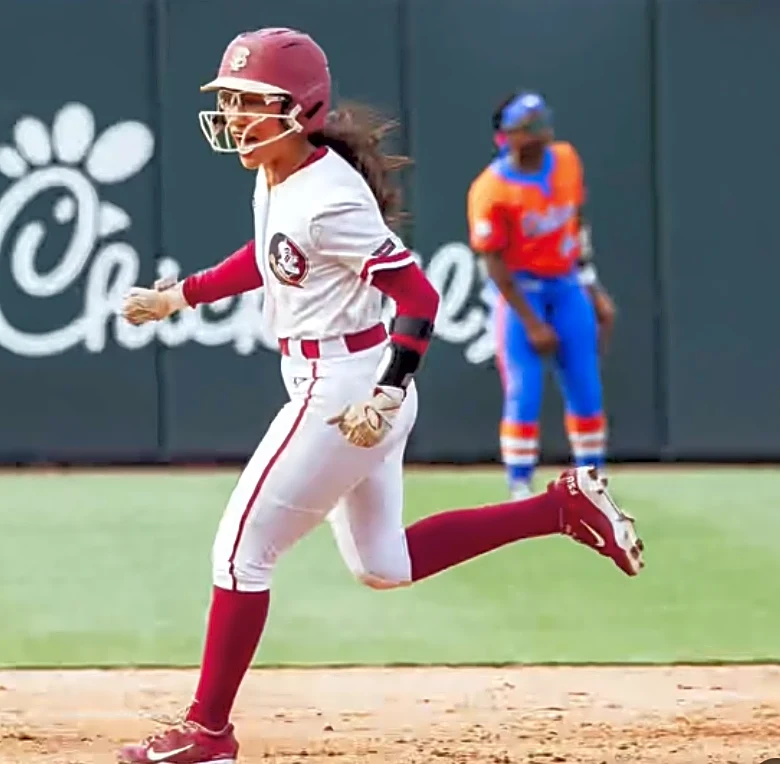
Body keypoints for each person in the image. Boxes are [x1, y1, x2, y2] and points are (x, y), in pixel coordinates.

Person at [117, 31, 644, 764]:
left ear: (298, 110)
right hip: (341, 378)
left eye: (250, 102)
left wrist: (390, 392)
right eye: (229, 102)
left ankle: (207, 732)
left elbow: (418, 294)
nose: (234, 115)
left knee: (241, 551)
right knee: (383, 564)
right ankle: (559, 507)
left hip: (347, 389)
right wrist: (182, 295)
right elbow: (272, 257)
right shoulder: (278, 171)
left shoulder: (329, 196)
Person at [469, 91, 617, 500]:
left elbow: (576, 224)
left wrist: (593, 288)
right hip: (522, 290)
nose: (541, 132)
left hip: (566, 283)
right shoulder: (491, 189)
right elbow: (493, 261)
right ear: (510, 136)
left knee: (585, 383)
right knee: (524, 388)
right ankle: (519, 481)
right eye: (530, 127)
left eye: (542, 123)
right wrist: (531, 321)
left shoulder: (566, 159)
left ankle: (592, 479)